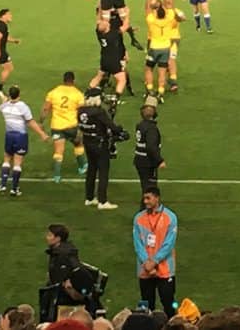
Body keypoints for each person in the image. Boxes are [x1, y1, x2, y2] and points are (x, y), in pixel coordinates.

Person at [76, 89, 128, 209]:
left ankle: (89, 198)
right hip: (99, 143)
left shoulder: (80, 111)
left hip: (87, 142)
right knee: (103, 171)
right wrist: (120, 130)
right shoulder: (98, 112)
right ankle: (102, 201)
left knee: (91, 170)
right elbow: (111, 126)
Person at [133, 186, 178, 317]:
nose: (145, 201)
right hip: (145, 269)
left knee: (169, 303)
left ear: (157, 198)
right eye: (144, 198)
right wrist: (147, 264)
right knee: (146, 306)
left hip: (165, 270)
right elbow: (138, 245)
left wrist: (153, 262)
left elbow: (169, 244)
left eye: (148, 198)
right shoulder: (138, 218)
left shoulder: (170, 217)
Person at [0, 86, 49, 196]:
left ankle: (2, 185)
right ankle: (14, 189)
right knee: (17, 161)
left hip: (9, 135)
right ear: (19, 95)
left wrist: (4, 99)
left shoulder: (4, 107)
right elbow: (30, 122)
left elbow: (2, 104)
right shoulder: (23, 107)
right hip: (20, 136)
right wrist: (42, 134)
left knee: (7, 159)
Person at [42, 72, 87, 183]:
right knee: (78, 144)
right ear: (73, 80)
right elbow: (82, 112)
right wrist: (82, 127)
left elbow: (45, 109)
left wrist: (41, 121)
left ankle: (57, 176)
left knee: (58, 152)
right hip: (72, 126)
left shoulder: (54, 92)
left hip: (57, 126)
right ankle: (82, 167)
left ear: (63, 80)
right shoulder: (78, 94)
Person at [145, 0, 181, 101]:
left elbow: (147, 9)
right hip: (165, 48)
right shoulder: (169, 18)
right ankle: (161, 93)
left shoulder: (151, 19)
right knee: (162, 72)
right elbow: (175, 13)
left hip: (154, 47)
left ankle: (150, 89)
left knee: (149, 69)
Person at [90, 10, 129, 98]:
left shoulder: (99, 33)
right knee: (122, 80)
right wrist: (126, 14)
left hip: (104, 60)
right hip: (113, 60)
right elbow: (126, 26)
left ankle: (88, 92)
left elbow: (98, 20)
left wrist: (101, 7)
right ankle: (115, 101)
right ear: (107, 27)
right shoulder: (114, 34)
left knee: (98, 76)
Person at [133, 102, 164, 195]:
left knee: (145, 187)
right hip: (148, 162)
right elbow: (151, 147)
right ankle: (146, 208)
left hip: (139, 159)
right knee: (150, 190)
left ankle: (145, 208)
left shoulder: (140, 125)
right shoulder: (151, 128)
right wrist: (160, 160)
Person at [0, 8, 19, 86]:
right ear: (3, 15)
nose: (11, 16)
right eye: (9, 14)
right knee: (9, 67)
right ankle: (0, 87)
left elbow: (4, 37)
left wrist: (14, 40)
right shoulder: (2, 25)